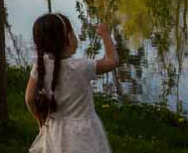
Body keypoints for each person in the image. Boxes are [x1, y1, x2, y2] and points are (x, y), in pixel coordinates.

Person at [25, 13, 119, 153]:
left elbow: (29, 98)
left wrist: (40, 121)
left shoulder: (40, 67)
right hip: (84, 134)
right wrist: (105, 34)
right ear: (68, 38)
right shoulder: (81, 67)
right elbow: (112, 61)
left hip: (54, 131)